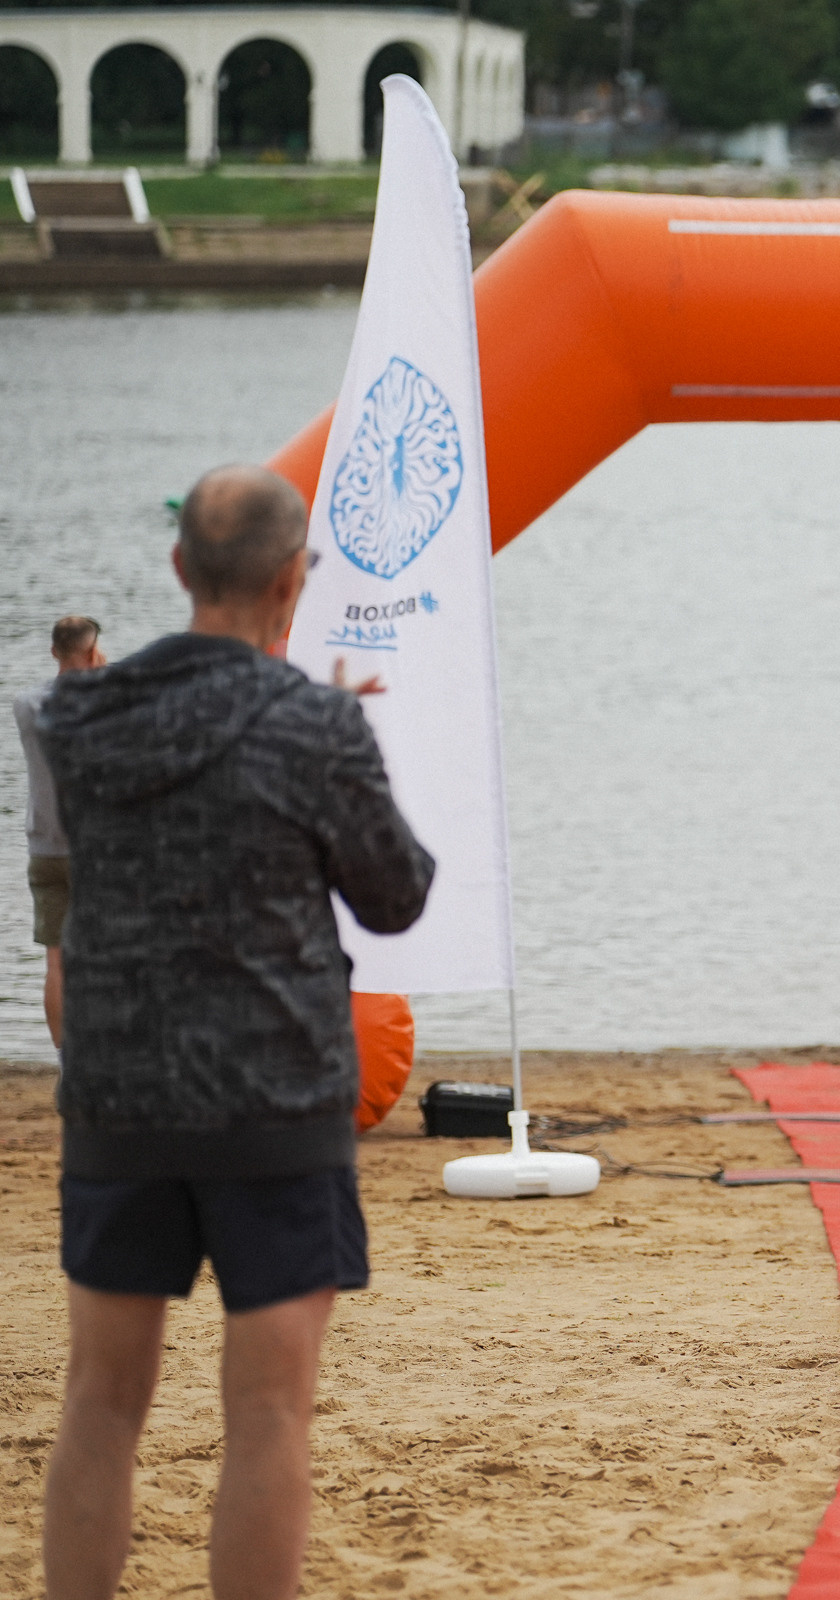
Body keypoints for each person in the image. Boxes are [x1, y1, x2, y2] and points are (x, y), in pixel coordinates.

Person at [38, 464, 435, 1600]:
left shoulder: (78, 715)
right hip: (276, 1100)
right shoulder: (313, 721)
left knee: (101, 1405)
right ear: (292, 578)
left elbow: (64, 880)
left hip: (122, 1096)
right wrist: (349, 748)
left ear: (177, 571)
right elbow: (395, 894)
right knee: (268, 1413)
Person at [16, 614, 105, 1047]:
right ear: (93, 653)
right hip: (93, 850)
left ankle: (67, 1062)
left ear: (53, 651)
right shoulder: (103, 704)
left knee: (57, 961)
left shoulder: (26, 704)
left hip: (45, 847)